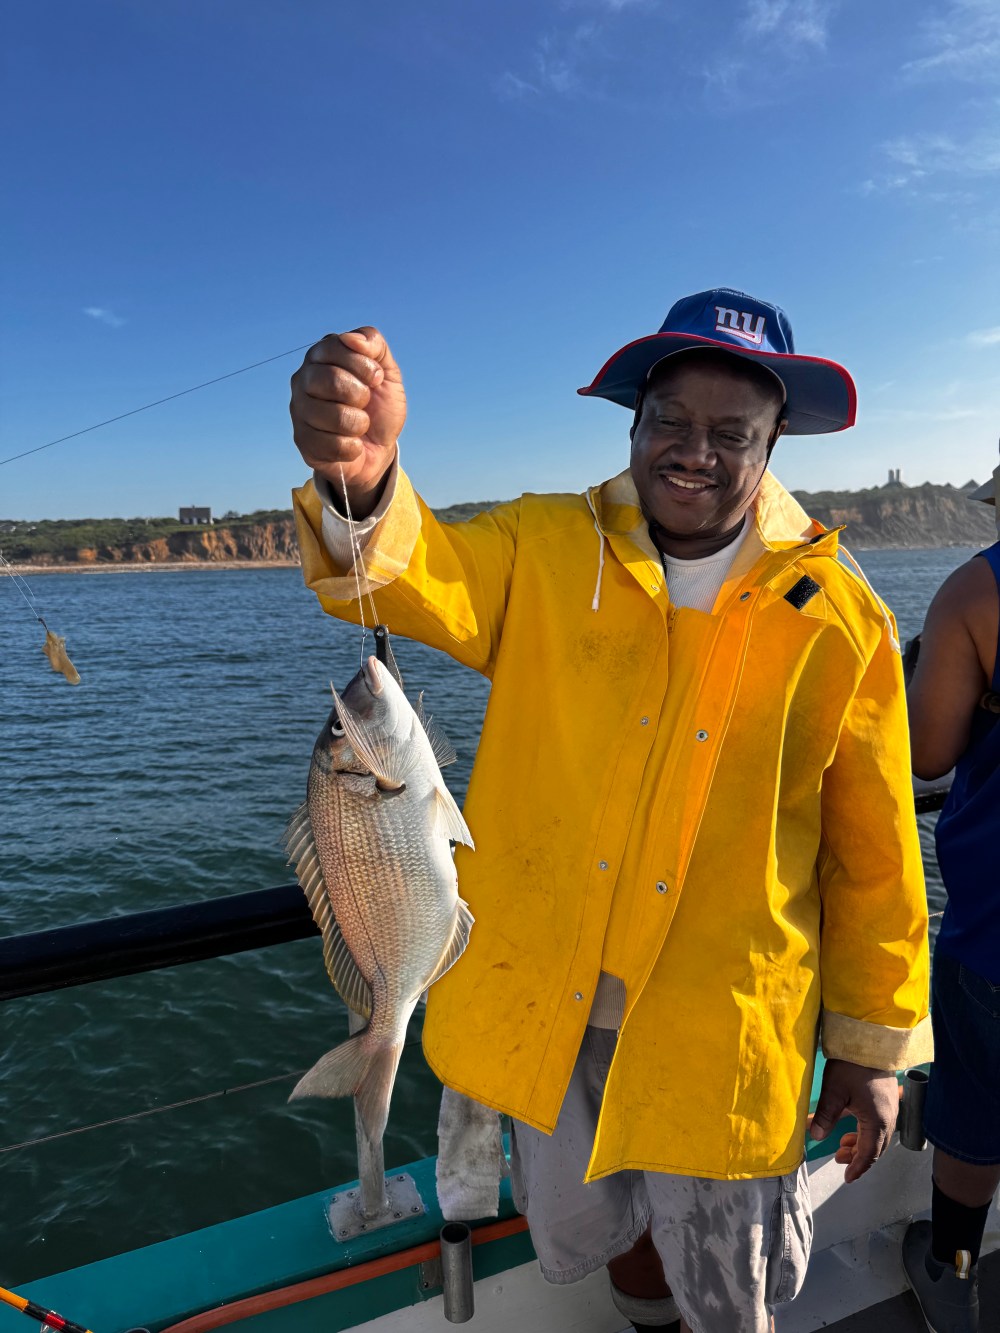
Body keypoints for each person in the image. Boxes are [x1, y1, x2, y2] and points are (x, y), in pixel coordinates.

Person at [288, 288, 932, 1333]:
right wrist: (359, 478)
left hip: (723, 1025)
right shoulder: (545, 544)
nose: (695, 451)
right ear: (633, 425)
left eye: (732, 433)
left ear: (772, 444)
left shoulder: (840, 616)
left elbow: (875, 856)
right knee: (606, 1228)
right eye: (669, 420)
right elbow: (419, 573)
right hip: (548, 1003)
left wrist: (871, 1047)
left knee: (732, 1272)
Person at [903, 453, 1000, 1333]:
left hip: (993, 934)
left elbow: (928, 752)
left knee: (973, 1114)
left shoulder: (976, 593)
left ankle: (953, 1272)